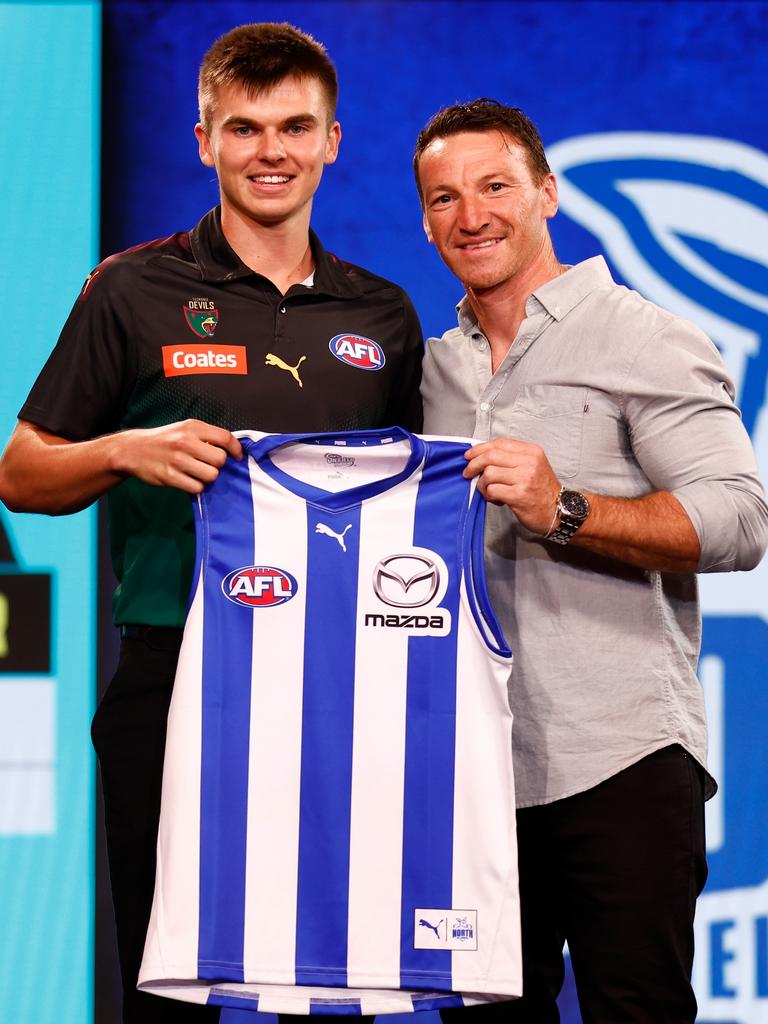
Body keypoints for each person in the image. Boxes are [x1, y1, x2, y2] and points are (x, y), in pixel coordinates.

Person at [0, 23, 422, 1023]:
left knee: (338, 980)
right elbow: (20, 472)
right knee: (168, 982)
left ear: (333, 141)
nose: (269, 151)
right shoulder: (130, 288)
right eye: (244, 127)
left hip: (340, 687)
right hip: (173, 669)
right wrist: (121, 451)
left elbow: (417, 507)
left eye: (293, 127)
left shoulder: (386, 314)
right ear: (203, 140)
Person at [413, 98, 768, 1023]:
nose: (471, 215)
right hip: (472, 773)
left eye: (495, 187)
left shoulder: (643, 335)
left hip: (621, 757)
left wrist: (562, 507)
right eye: (444, 198)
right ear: (424, 220)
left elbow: (741, 519)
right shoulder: (429, 372)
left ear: (548, 195)